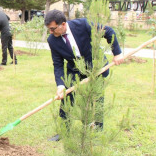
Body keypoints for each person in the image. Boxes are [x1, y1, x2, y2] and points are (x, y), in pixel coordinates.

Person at [44, 10, 124, 141]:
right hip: (74, 70)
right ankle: (64, 131)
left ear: (63, 24)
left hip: (96, 66)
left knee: (97, 98)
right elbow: (58, 64)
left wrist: (117, 53)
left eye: (53, 29)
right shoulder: (52, 40)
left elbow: (108, 31)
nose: (51, 32)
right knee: (67, 98)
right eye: (49, 30)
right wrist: (60, 85)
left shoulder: (82, 24)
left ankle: (97, 130)